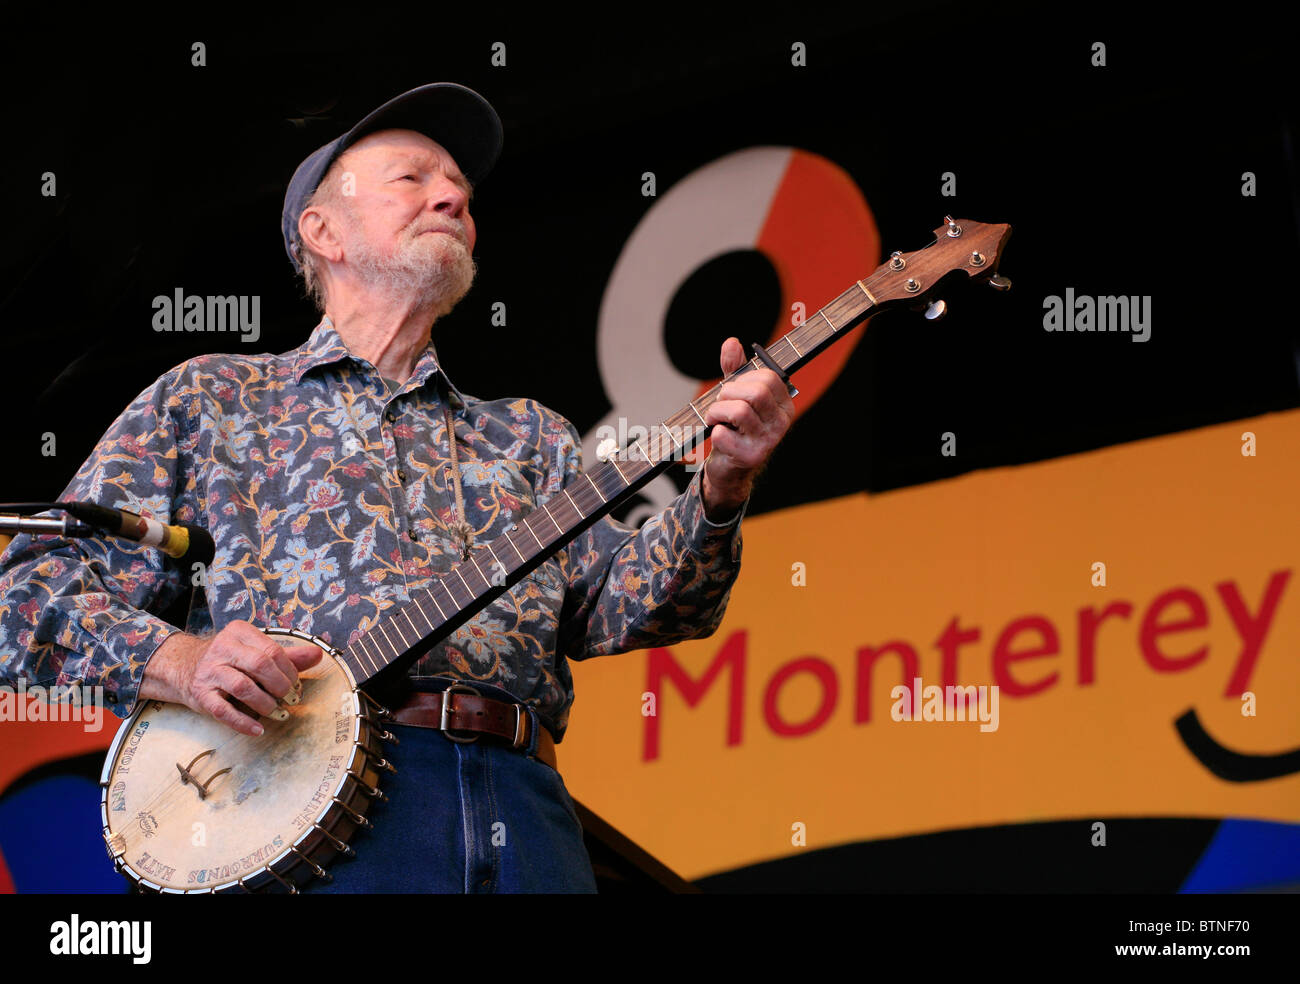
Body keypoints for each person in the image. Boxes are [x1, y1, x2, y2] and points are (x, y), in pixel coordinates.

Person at [0, 82, 795, 892]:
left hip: (523, 805)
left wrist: (721, 488)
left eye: (461, 190)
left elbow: (644, 606)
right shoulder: (212, 400)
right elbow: (22, 597)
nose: (451, 196)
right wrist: (182, 658)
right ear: (323, 229)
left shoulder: (529, 433)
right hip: (301, 810)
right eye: (413, 178)